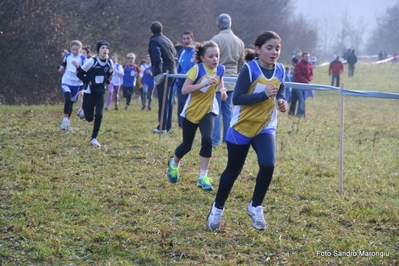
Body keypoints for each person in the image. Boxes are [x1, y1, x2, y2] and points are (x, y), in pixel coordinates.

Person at [206, 31, 287, 231]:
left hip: (264, 127)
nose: (274, 52)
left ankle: (256, 206)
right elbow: (237, 99)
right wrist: (263, 95)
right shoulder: (249, 70)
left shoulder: (281, 69)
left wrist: (281, 100)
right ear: (258, 50)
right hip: (241, 127)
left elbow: (281, 87)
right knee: (233, 172)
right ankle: (217, 208)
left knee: (268, 165)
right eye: (269, 48)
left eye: (277, 48)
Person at [167, 41, 227, 191]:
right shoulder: (197, 69)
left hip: (209, 108)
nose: (215, 59)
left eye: (217, 56)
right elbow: (185, 90)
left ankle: (202, 177)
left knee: (207, 139)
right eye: (211, 56)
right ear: (203, 58)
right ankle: (174, 163)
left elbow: (220, 81)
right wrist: (203, 84)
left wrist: (223, 90)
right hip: (192, 110)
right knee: (186, 146)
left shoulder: (220, 69)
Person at [211, 13, 245, 147]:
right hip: (233, 79)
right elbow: (242, 63)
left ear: (218, 26)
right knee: (228, 111)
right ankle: (228, 138)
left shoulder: (215, 39)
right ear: (230, 24)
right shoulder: (239, 41)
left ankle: (215, 140)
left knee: (216, 110)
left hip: (218, 78)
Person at [77, 40, 113, 147]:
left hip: (100, 92)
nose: (104, 50)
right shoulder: (92, 61)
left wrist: (107, 80)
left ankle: (94, 138)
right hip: (89, 92)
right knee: (89, 118)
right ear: (98, 51)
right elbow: (80, 74)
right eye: (102, 48)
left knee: (99, 114)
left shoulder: (110, 63)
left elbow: (110, 73)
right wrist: (88, 80)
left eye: (106, 48)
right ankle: (82, 109)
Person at [148, 21, 177, 134]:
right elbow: (174, 54)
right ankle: (167, 126)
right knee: (169, 100)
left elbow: (157, 58)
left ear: (151, 31)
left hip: (164, 72)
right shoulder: (167, 40)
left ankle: (162, 127)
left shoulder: (154, 41)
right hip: (173, 71)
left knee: (163, 100)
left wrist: (159, 72)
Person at [58, 40, 86, 132]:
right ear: (70, 49)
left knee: (71, 103)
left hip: (77, 84)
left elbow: (84, 72)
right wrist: (61, 67)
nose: (74, 51)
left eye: (77, 50)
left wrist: (78, 67)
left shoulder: (83, 59)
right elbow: (64, 63)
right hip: (66, 81)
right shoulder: (67, 56)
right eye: (73, 49)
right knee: (68, 99)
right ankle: (65, 120)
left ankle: (67, 122)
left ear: (80, 50)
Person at [175, 31, 196, 127]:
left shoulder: (196, 52)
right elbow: (178, 68)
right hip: (181, 80)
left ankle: (192, 122)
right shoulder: (181, 52)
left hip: (193, 81)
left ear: (192, 39)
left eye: (188, 38)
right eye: (184, 39)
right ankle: (181, 124)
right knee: (181, 102)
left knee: (192, 102)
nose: (186, 41)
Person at [288, 52, 313, 117]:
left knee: (294, 99)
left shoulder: (310, 64)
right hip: (297, 84)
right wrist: (306, 81)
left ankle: (291, 113)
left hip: (305, 85)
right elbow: (298, 75)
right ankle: (300, 114)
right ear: (302, 57)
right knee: (301, 99)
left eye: (308, 57)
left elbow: (311, 74)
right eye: (306, 57)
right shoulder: (298, 65)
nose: (308, 58)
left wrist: (309, 80)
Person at [77, 45, 92, 119]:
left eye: (84, 53)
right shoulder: (77, 59)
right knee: (80, 94)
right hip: (77, 80)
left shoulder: (89, 62)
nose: (82, 54)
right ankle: (80, 109)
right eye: (81, 52)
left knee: (83, 94)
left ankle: (83, 109)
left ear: (87, 54)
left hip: (85, 80)